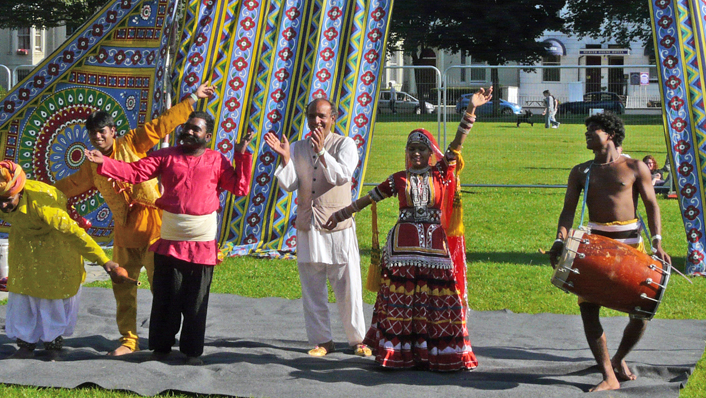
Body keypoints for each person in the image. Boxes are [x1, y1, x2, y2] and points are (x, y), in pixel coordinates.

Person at [322, 87, 491, 371]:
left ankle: (438, 353)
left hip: (435, 247)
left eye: (421, 149)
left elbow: (457, 144)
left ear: (430, 152)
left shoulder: (440, 172)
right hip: (402, 249)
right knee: (402, 299)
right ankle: (398, 353)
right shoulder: (398, 179)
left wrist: (471, 110)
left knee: (440, 296)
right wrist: (340, 214)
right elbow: (368, 198)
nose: (415, 153)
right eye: (411, 148)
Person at [54, 82, 216, 356]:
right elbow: (70, 185)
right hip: (124, 233)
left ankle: (165, 338)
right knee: (122, 288)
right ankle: (129, 340)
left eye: (101, 132)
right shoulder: (92, 163)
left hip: (156, 231)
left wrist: (192, 98)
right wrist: (34, 190)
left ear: (112, 132)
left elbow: (161, 124)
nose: (97, 137)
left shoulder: (132, 142)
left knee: (164, 290)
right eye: (93, 134)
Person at [84, 108, 253, 365]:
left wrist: (241, 155)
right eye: (186, 127)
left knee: (196, 302)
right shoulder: (166, 156)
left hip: (202, 245)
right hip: (169, 242)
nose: (188, 131)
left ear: (207, 136)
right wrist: (105, 163)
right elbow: (134, 173)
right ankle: (161, 348)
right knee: (166, 298)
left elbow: (240, 187)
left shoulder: (217, 160)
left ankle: (191, 352)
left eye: (195, 129)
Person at [549, 113, 672, 392]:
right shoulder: (581, 171)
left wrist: (657, 242)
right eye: (587, 131)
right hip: (595, 249)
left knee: (642, 312)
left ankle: (618, 358)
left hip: (632, 246)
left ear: (611, 135)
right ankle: (608, 375)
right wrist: (560, 240)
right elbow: (568, 211)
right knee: (588, 310)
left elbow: (652, 205)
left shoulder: (634, 166)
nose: (587, 134)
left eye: (594, 130)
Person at [0, 161, 120, 359]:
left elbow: (73, 233)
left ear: (20, 193)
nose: (3, 205)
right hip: (25, 247)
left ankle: (53, 344)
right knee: (23, 292)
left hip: (57, 247)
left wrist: (104, 261)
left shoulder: (43, 203)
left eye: (8, 200)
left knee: (52, 294)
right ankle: (25, 345)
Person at [263, 98, 371, 358]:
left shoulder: (345, 144)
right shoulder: (299, 147)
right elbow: (289, 185)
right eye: (312, 116)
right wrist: (286, 159)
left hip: (339, 228)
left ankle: (358, 340)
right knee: (312, 287)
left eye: (322, 116)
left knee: (348, 286)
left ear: (334, 117)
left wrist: (322, 152)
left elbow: (341, 176)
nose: (317, 121)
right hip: (307, 226)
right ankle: (323, 341)